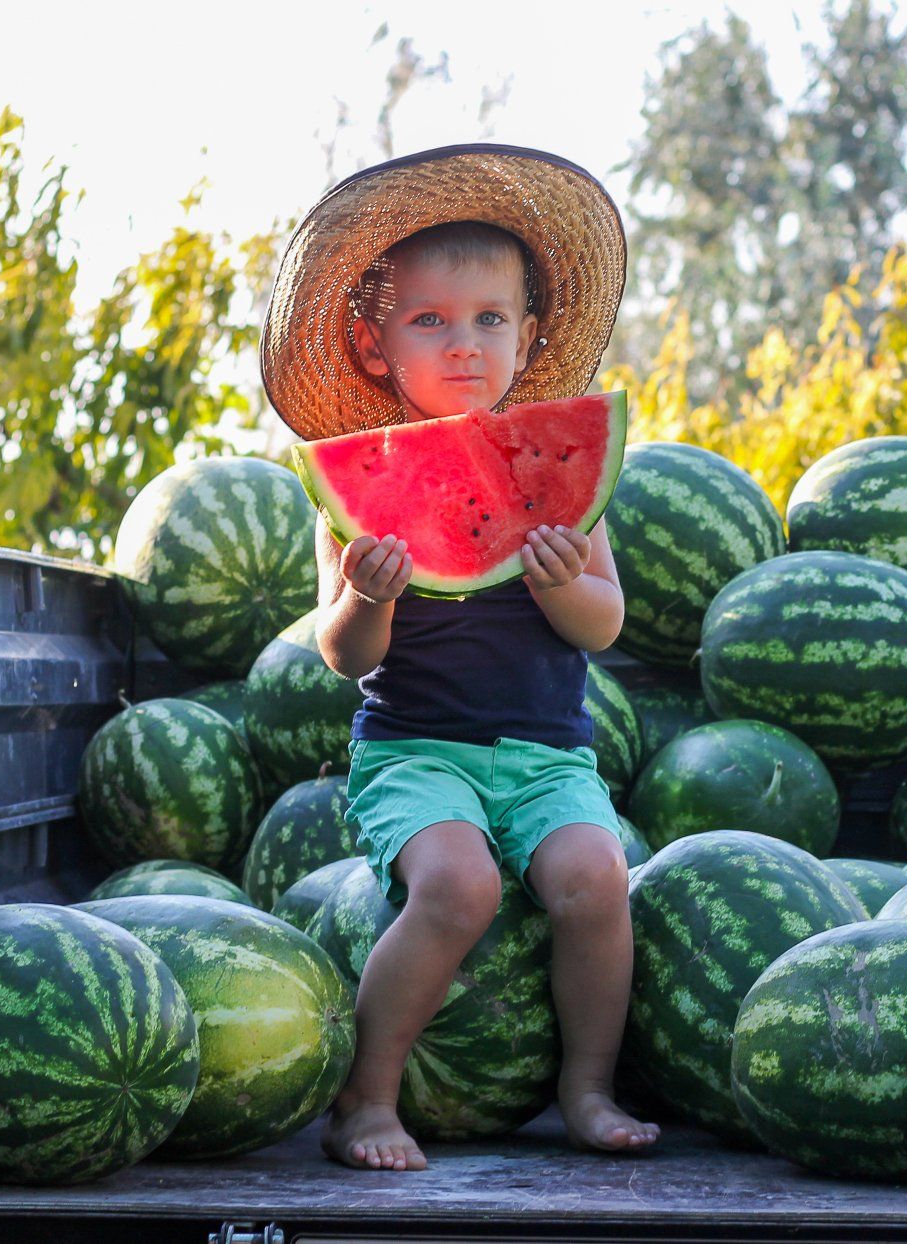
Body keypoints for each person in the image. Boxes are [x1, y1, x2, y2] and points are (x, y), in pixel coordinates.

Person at [259, 145, 659, 1172]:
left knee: (598, 876)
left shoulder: (560, 473)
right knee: (458, 886)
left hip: (548, 756)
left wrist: (560, 575)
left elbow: (602, 625)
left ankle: (587, 1085)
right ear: (378, 344)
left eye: (489, 319)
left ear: (530, 338)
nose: (464, 342)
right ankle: (368, 1093)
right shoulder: (355, 491)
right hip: (413, 753)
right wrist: (367, 594)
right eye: (430, 320)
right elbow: (344, 655)